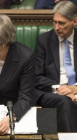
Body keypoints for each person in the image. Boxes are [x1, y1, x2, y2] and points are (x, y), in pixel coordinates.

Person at [35, 1, 77, 132]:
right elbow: (37, 76)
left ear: (74, 22)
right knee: (64, 102)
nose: (57, 27)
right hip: (52, 91)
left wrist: (74, 89)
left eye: (62, 23)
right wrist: (61, 89)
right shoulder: (44, 40)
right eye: (55, 22)